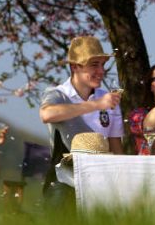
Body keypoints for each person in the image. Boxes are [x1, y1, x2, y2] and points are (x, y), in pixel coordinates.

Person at [39, 36, 123, 205]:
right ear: (75, 66)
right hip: (64, 183)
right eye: (94, 65)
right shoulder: (57, 94)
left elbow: (115, 147)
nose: (101, 71)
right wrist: (95, 105)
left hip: (101, 185)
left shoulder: (107, 99)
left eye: (102, 65)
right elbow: (47, 114)